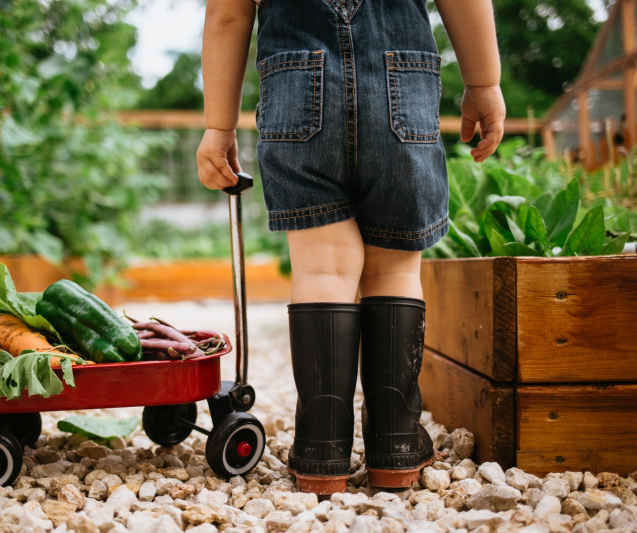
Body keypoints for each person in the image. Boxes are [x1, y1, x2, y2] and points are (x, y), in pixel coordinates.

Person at [197, 0, 506, 495]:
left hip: (297, 91)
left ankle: (322, 453)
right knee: (394, 270)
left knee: (322, 270)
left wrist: (219, 126)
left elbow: (227, 15)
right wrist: (483, 83)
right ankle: (395, 447)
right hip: (399, 87)